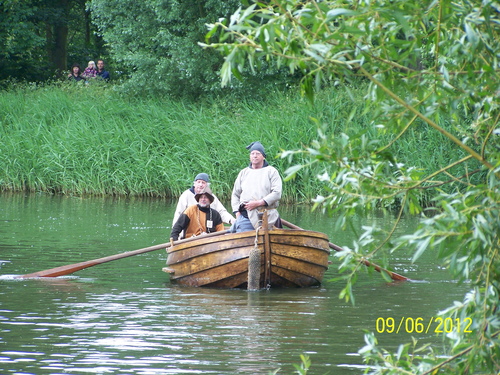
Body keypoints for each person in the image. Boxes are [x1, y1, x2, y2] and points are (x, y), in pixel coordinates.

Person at [231, 141, 282, 232]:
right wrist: (237, 213)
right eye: (252, 153)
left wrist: (258, 203)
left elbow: (277, 193)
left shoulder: (271, 171)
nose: (255, 156)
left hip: (268, 216)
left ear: (263, 156)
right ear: (250, 156)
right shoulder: (244, 173)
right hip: (246, 217)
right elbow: (235, 195)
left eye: (258, 153)